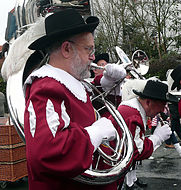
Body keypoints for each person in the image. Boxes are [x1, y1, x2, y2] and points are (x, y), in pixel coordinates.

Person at [24, 9, 127, 190]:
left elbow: (93, 115)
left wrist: (108, 83)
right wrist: (94, 134)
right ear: (66, 49)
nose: (93, 57)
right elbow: (48, 151)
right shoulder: (46, 88)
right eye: (88, 49)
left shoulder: (71, 82)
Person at [109, 79, 172, 190]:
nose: (162, 110)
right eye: (162, 105)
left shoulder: (134, 109)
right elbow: (136, 152)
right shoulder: (133, 115)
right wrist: (157, 137)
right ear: (148, 102)